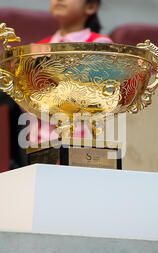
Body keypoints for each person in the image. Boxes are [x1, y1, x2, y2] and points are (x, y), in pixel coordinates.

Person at [30, 0, 112, 145]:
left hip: (86, 136)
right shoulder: (38, 48)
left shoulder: (100, 44)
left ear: (91, 6)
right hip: (42, 138)